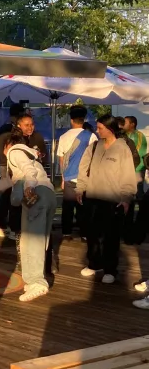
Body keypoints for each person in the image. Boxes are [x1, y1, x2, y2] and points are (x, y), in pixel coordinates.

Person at [0, 128, 56, 302]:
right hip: (48, 195)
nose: (3, 152)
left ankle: (37, 283)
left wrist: (29, 187)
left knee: (31, 242)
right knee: (39, 240)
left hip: (36, 197)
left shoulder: (14, 151)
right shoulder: (30, 155)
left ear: (7, 144)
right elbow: (7, 182)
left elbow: (29, 172)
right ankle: (35, 280)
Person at [76, 115, 137, 284]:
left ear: (110, 129)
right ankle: (95, 264)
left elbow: (128, 176)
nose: (97, 130)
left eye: (100, 127)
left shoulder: (122, 148)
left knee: (111, 238)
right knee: (92, 235)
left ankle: (110, 269)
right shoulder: (94, 146)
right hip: (93, 198)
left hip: (113, 201)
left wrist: (126, 198)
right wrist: (81, 187)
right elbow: (83, 167)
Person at [56, 106, 96, 241]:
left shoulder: (63, 137)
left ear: (71, 119)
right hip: (85, 177)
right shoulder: (91, 136)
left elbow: (61, 160)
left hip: (68, 177)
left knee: (67, 206)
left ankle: (66, 232)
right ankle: (84, 233)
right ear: (84, 119)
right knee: (84, 207)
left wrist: (62, 178)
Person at [0, 104, 26, 239]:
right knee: (10, 196)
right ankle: (6, 226)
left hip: (3, 164)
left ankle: (3, 226)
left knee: (6, 195)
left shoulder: (2, 128)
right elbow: (6, 150)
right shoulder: (11, 131)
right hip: (9, 165)